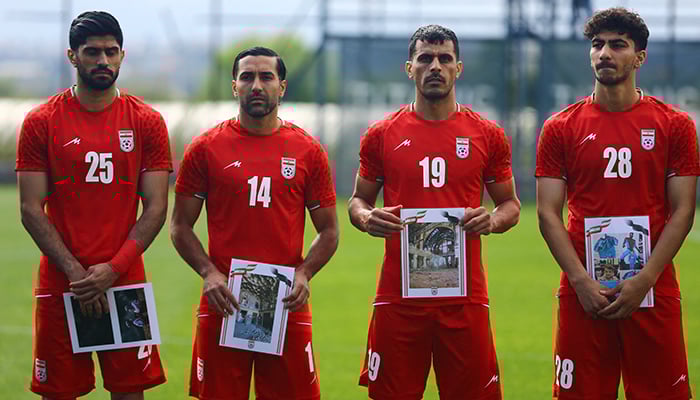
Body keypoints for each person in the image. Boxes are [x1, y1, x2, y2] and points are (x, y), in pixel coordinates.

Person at [348, 25, 520, 400]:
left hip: (465, 298)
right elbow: (358, 200)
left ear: (459, 68)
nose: (435, 66)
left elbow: (511, 205)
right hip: (398, 297)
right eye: (425, 58)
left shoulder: (486, 134)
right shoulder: (381, 134)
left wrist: (491, 220)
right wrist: (365, 218)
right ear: (409, 68)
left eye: (445, 59)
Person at [536, 7, 698, 399]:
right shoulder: (560, 127)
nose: (604, 53)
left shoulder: (674, 125)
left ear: (639, 57)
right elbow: (546, 211)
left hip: (654, 287)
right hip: (582, 290)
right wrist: (580, 281)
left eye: (617, 45)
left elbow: (683, 210)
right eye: (597, 44)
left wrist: (645, 280)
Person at [16, 10, 171, 400]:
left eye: (111, 51)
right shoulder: (41, 121)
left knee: (129, 392)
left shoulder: (147, 121)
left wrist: (112, 270)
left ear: (122, 55)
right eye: (92, 52)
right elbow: (30, 208)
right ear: (73, 56)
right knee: (60, 392)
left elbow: (155, 207)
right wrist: (76, 273)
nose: (103, 60)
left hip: (125, 282)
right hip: (62, 284)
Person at [171, 46, 339, 400]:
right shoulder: (205, 148)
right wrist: (208, 273)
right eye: (247, 77)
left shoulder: (309, 151)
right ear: (234, 86)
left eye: (266, 77)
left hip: (284, 303)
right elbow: (180, 226)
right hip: (224, 300)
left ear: (282, 86)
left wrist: (305, 273)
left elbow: (329, 229)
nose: (257, 85)